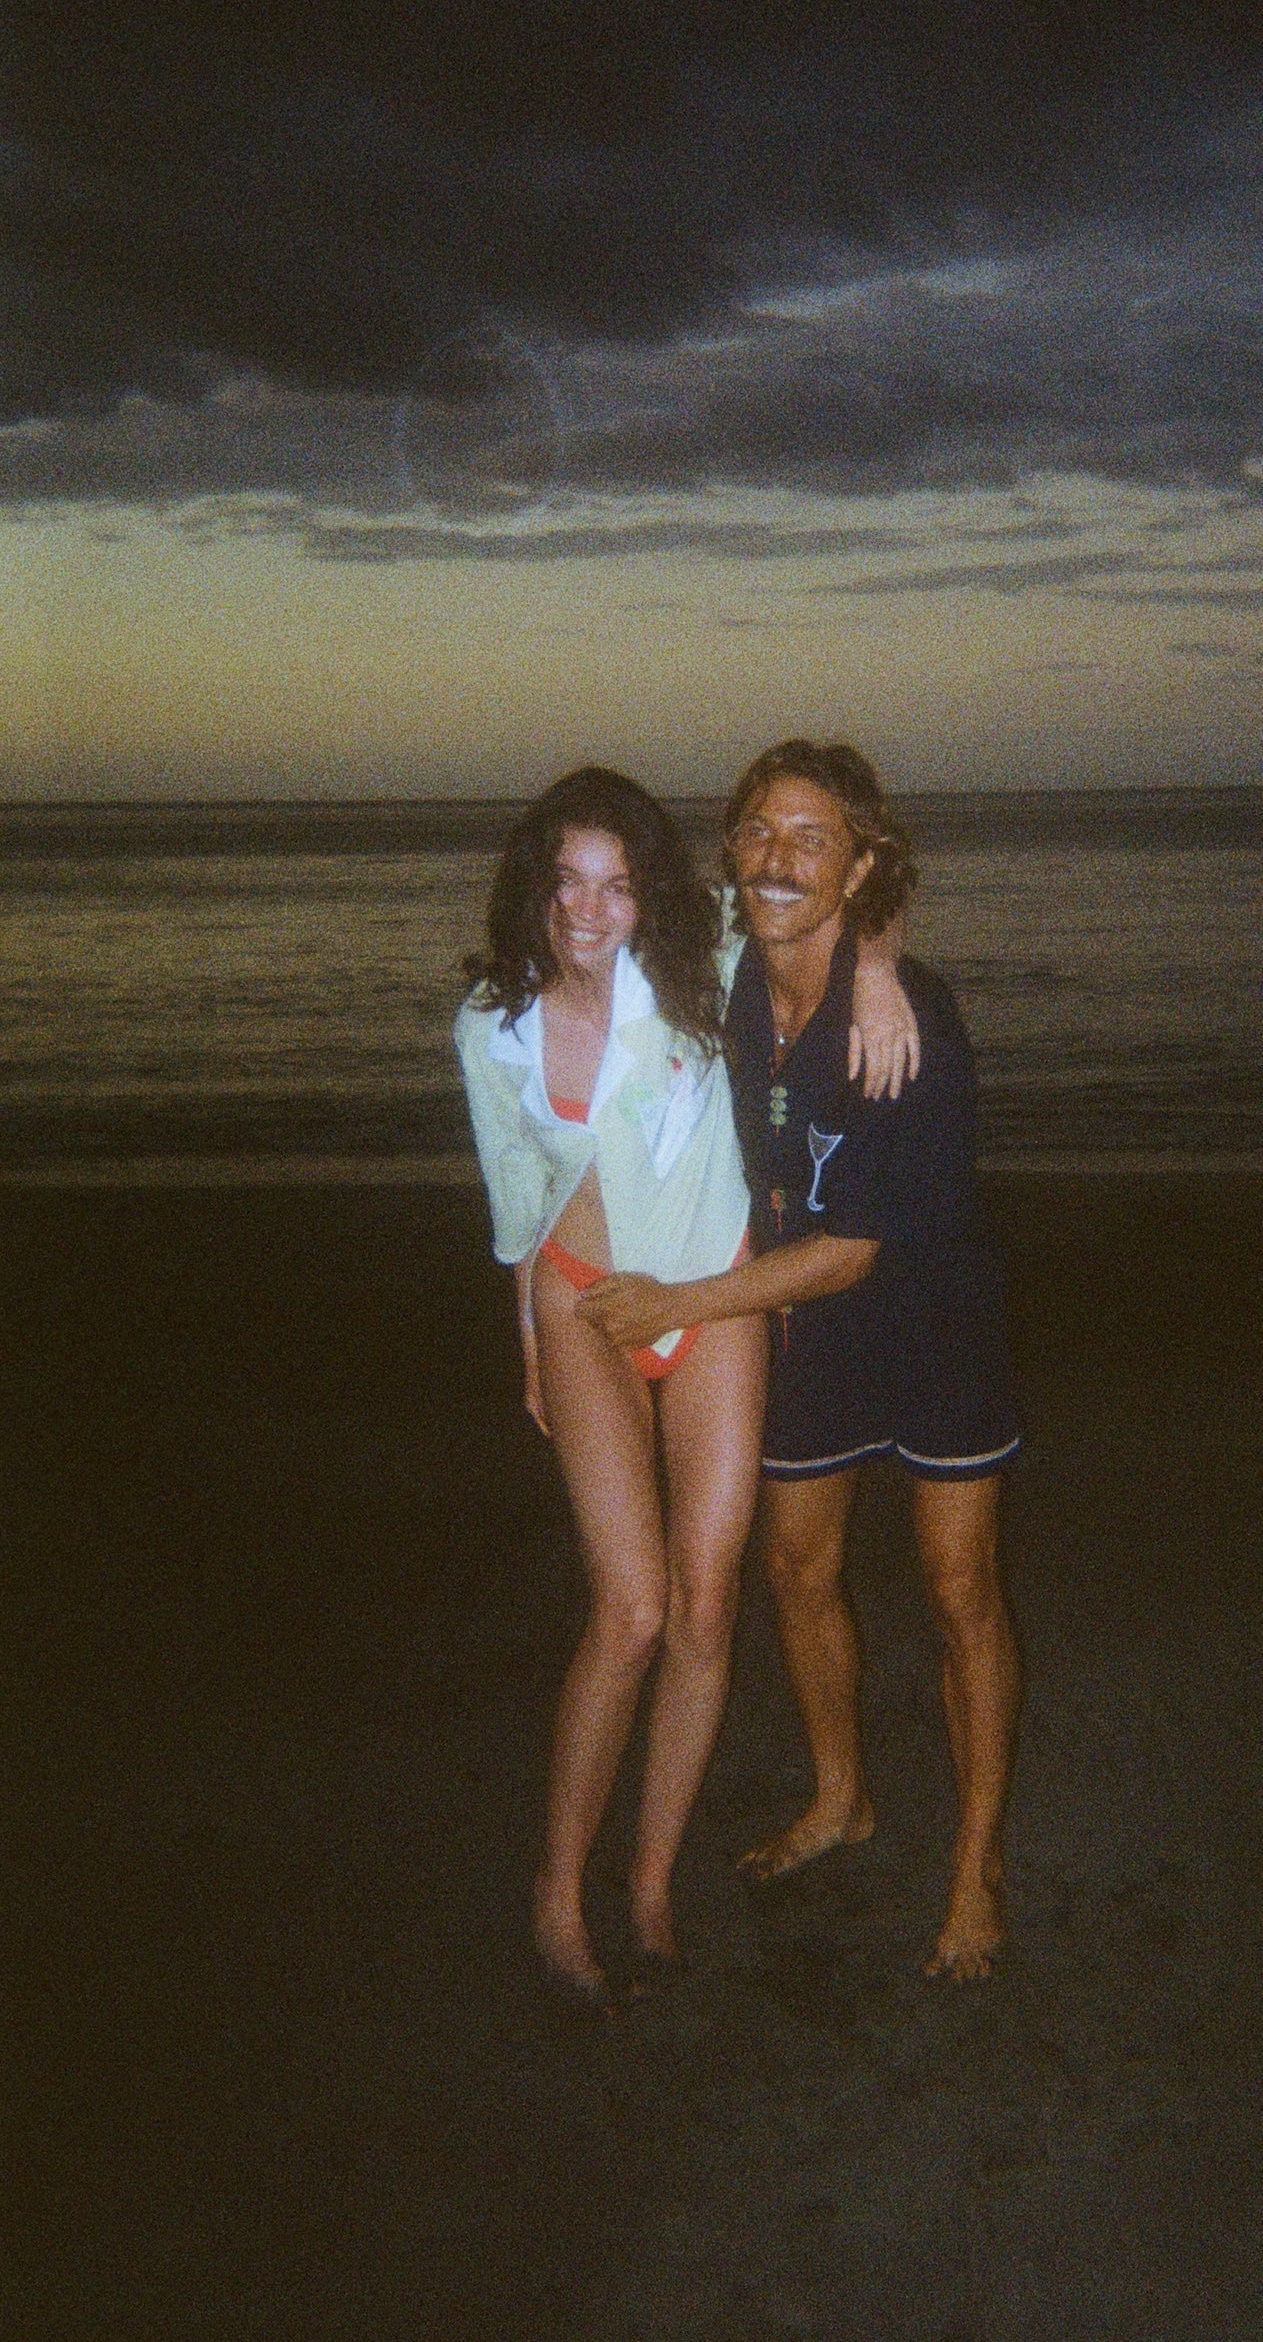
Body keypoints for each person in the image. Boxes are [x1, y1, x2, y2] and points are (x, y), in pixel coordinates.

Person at [454, 766, 914, 2007]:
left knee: (711, 1613)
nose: (591, 910)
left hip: (712, 1298)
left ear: (647, 887)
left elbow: (825, 891)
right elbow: (515, 1208)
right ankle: (559, 1883)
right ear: (536, 891)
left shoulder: (696, 954)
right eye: (567, 882)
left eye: (616, 882)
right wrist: (533, 1348)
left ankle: (649, 1879)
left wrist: (873, 969)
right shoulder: (491, 1032)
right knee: (636, 1611)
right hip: (584, 1302)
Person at [579, 742, 1021, 1980]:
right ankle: (842, 1797)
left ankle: (975, 1865)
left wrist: (684, 1301)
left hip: (929, 1314)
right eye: (760, 831)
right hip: (799, 1317)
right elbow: (589, 928)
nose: (779, 856)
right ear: (730, 850)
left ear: (862, 863)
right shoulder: (717, 964)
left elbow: (852, 1250)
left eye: (812, 837)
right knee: (796, 1564)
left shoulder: (906, 1015)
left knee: (957, 1590)